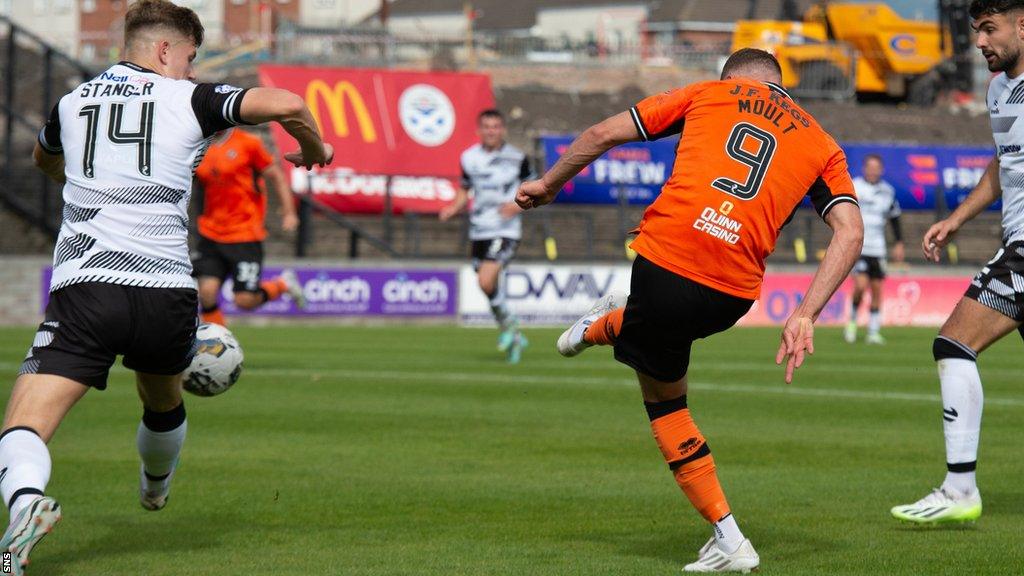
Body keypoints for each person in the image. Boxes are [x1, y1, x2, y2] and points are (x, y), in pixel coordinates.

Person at [0, 1, 332, 572]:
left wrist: (86, 173)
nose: (192, 71)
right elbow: (290, 102)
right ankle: (155, 486)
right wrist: (317, 149)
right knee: (162, 399)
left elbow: (43, 158)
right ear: (163, 51)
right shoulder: (192, 100)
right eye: (190, 58)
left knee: (23, 426)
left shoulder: (70, 104)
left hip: (89, 287)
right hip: (167, 291)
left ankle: (27, 504)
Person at [517, 48, 863, 573]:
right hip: (733, 295)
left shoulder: (708, 93)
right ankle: (614, 322)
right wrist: (805, 314)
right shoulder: (823, 143)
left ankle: (729, 538)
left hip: (667, 262)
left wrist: (549, 184)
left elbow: (601, 134)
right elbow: (851, 232)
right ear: (780, 85)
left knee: (666, 407)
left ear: (732, 79)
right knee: (664, 348)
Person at [890, 0, 1024, 525]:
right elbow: (1003, 162)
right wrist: (958, 220)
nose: (980, 42)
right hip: (1013, 236)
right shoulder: (998, 90)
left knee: (953, 342)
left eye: (989, 29)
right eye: (975, 31)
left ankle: (960, 489)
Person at [440, 109, 534, 363]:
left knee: (485, 280)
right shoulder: (469, 158)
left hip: (505, 230)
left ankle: (509, 326)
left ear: (502, 129)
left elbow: (535, 187)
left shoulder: (518, 158)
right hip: (478, 229)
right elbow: (465, 189)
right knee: (488, 285)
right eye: (487, 127)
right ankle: (511, 332)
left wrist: (517, 206)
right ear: (479, 130)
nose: (491, 131)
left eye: (496, 126)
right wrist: (453, 208)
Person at [192, 127, 304, 326]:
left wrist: (289, 212)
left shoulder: (248, 143)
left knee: (244, 300)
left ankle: (282, 284)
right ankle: (217, 344)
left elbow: (276, 175)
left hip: (245, 234)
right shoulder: (197, 145)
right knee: (207, 292)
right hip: (211, 232)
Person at [844, 154, 904, 344]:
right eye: (870, 167)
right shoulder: (854, 186)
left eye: (876, 167)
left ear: (881, 170)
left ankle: (873, 331)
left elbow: (894, 218)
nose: (873, 170)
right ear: (864, 168)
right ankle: (852, 324)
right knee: (860, 286)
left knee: (877, 290)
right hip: (859, 246)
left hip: (878, 249)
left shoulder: (888, 191)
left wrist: (899, 242)